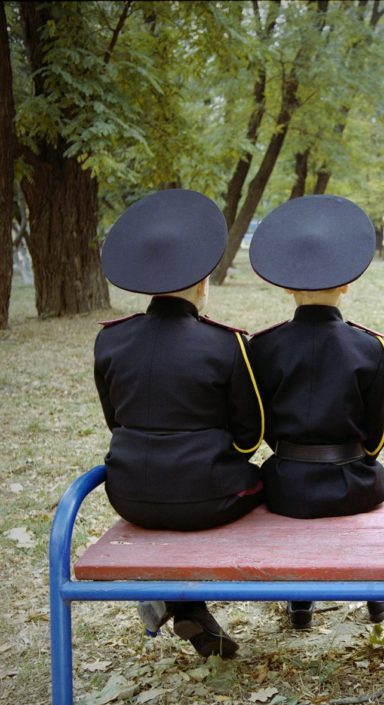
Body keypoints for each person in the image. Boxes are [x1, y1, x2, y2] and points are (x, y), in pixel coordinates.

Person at [95, 188, 265, 658]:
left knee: (183, 499)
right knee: (266, 484)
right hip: (207, 498)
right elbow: (249, 437)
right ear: (203, 282)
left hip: (128, 494)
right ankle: (289, 605)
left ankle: (183, 603)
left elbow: (115, 421)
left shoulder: (110, 341)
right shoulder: (226, 344)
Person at [248, 194, 384, 630]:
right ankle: (375, 595)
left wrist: (289, 450)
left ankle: (300, 601)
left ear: (287, 287)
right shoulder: (369, 346)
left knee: (299, 512)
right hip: (352, 484)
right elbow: (379, 429)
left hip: (285, 484)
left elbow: (258, 423)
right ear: (347, 284)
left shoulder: (263, 346)